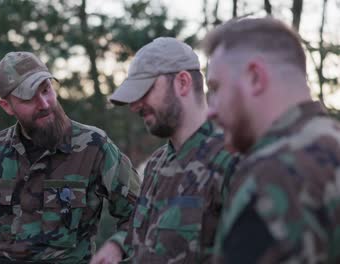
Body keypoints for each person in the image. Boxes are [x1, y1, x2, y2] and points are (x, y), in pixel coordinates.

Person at [0, 51, 141, 264]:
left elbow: (141, 214)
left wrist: (117, 246)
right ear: (7, 106)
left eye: (46, 90)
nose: (44, 104)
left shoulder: (93, 146)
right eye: (29, 98)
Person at [201, 17, 340, 263]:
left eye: (216, 88)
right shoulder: (331, 141)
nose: (210, 110)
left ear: (255, 77)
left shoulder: (273, 172)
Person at [91, 37, 238, 264]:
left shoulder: (231, 159)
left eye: (145, 90)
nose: (135, 105)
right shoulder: (157, 164)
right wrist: (118, 245)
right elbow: (145, 241)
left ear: (182, 82)